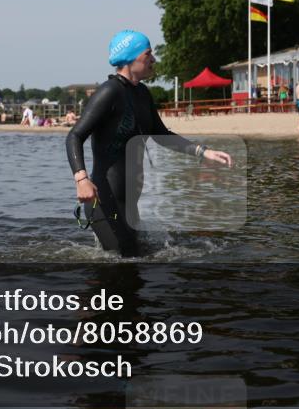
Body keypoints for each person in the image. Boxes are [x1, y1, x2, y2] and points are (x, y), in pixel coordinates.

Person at [66, 30, 232, 257]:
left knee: (134, 260)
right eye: (148, 54)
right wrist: (82, 179)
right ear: (130, 58)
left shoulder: (142, 93)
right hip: (105, 201)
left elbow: (161, 134)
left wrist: (203, 152)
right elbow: (74, 136)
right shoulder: (109, 92)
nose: (153, 59)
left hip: (128, 201)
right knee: (122, 264)